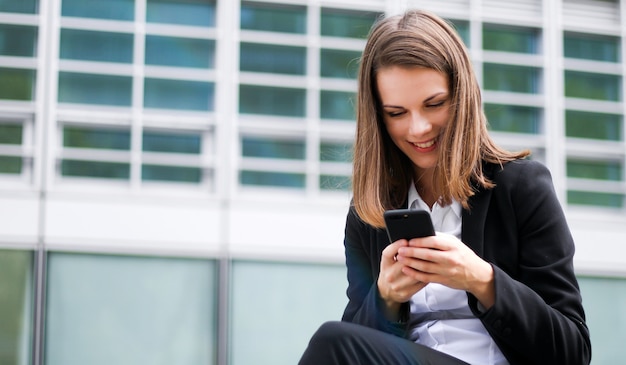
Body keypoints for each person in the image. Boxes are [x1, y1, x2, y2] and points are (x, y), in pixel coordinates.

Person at [298, 9, 591, 365]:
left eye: (434, 104)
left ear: (462, 95)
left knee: (331, 341)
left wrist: (482, 280)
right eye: (397, 113)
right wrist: (386, 297)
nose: (419, 128)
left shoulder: (521, 188)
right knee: (335, 341)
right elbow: (357, 345)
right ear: (378, 117)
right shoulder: (368, 213)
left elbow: (573, 351)